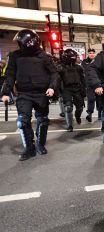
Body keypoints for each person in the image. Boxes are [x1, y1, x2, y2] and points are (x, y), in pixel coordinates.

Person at [0, 29, 57, 160]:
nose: (19, 45)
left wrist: (52, 87)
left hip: (41, 93)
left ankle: (40, 144)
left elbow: (54, 74)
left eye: (21, 42)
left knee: (42, 120)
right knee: (22, 121)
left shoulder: (45, 57)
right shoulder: (14, 56)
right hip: (24, 93)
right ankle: (29, 148)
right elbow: (10, 75)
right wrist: (5, 92)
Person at [58, 49, 86, 131]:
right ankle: (70, 126)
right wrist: (58, 91)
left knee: (80, 107)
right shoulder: (60, 68)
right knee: (68, 107)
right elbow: (57, 80)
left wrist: (84, 90)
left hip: (77, 88)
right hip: (66, 89)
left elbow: (83, 79)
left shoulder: (79, 68)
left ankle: (77, 117)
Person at [81, 48, 101, 122]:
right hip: (89, 84)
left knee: (99, 100)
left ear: (95, 54)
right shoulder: (84, 62)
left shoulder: (98, 61)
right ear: (88, 54)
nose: (91, 54)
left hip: (98, 83)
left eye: (93, 53)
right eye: (90, 53)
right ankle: (89, 114)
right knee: (91, 99)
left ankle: (100, 114)